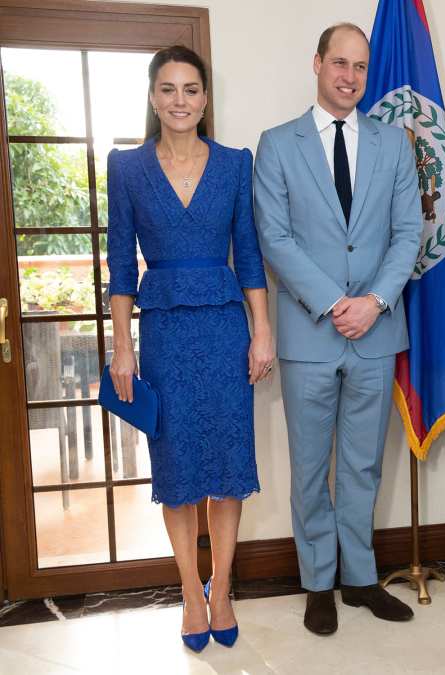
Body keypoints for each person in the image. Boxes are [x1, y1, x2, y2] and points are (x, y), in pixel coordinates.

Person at [253, 23, 422, 636]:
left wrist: (374, 300)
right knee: (309, 466)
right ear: (318, 63)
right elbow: (275, 237)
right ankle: (317, 583)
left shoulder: (394, 144)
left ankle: (360, 580)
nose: (349, 76)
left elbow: (410, 232)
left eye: (359, 66)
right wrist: (333, 301)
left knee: (361, 466)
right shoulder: (277, 144)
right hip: (309, 333)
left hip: (377, 331)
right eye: (339, 63)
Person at [106, 45, 273, 652]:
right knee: (177, 470)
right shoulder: (125, 168)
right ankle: (187, 592)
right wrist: (122, 346)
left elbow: (250, 255)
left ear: (205, 98)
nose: (180, 100)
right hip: (165, 337)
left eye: (191, 89)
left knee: (227, 468)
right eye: (169, 89)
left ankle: (221, 589)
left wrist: (262, 331)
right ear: (153, 97)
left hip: (227, 330)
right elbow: (120, 265)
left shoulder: (234, 163)